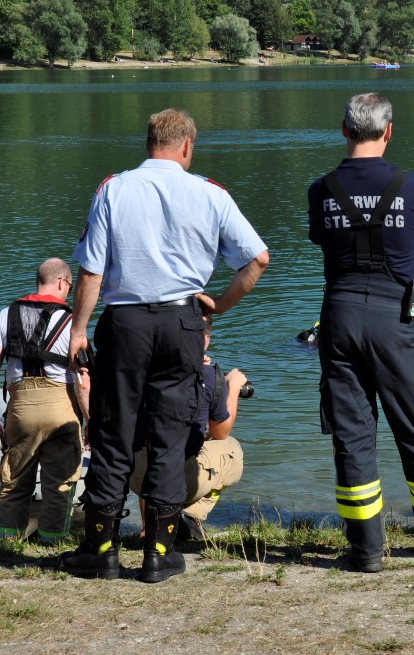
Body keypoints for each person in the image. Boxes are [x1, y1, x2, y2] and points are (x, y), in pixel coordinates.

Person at [63, 108, 269, 583]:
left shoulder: (113, 189)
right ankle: (159, 552)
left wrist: (78, 330)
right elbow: (258, 259)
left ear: (148, 143)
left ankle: (101, 550)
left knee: (113, 437)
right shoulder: (209, 193)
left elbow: (92, 271)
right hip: (183, 322)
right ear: (187, 147)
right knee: (170, 439)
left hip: (125, 323)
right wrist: (217, 305)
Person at [308, 93, 414, 573]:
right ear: (388, 132)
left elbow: (324, 241)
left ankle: (365, 549)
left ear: (344, 130)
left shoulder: (321, 190)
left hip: (339, 317)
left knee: (352, 433)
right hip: (397, 319)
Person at [0, 258, 88, 543]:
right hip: (61, 405)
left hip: (21, 406)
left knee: (14, 479)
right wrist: (92, 419)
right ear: (63, 283)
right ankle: (53, 541)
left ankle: (6, 542)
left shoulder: (6, 315)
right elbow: (84, 379)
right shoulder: (73, 322)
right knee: (60, 480)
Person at [129, 314, 248, 540]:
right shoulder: (209, 376)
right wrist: (231, 388)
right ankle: (191, 516)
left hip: (134, 475)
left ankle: (149, 527)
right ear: (205, 339)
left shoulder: (144, 367)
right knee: (232, 450)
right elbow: (220, 432)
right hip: (177, 478)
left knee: (149, 443)